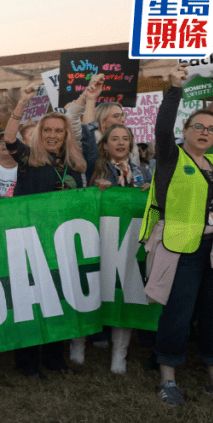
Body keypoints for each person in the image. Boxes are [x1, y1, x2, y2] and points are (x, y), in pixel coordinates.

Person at [138, 64, 213, 407]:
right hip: (181, 247)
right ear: (185, 130)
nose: (205, 132)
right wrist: (174, 90)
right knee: (178, 312)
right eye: (198, 126)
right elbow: (162, 127)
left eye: (211, 129)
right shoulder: (171, 156)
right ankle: (168, 380)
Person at [3, 84, 88, 378]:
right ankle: (28, 363)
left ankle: (55, 358)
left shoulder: (76, 166)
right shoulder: (30, 159)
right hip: (31, 241)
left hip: (63, 242)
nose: (53, 135)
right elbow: (9, 138)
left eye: (58, 131)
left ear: (66, 135)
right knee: (33, 302)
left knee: (61, 299)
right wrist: (23, 103)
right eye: (47, 130)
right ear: (40, 133)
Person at [65, 124, 152, 373]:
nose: (121, 143)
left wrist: (149, 192)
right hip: (98, 243)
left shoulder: (143, 172)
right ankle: (77, 346)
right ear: (105, 144)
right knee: (89, 291)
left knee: (125, 295)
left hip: (129, 246)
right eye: (115, 138)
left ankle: (119, 356)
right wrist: (96, 190)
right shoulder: (93, 167)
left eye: (126, 138)